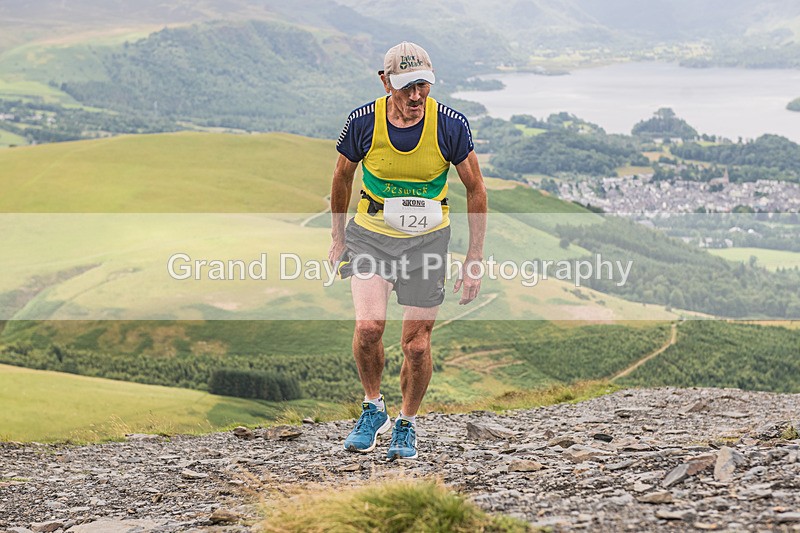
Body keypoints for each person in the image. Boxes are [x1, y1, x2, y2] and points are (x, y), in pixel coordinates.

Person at [328, 41, 487, 460]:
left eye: (424, 85)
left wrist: (474, 259)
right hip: (371, 235)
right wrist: (338, 235)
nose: (416, 96)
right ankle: (373, 407)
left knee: (416, 345)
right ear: (385, 82)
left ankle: (407, 423)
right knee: (368, 329)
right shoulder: (363, 121)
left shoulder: (450, 125)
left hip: (427, 242)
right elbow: (342, 178)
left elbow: (475, 189)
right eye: (406, 86)